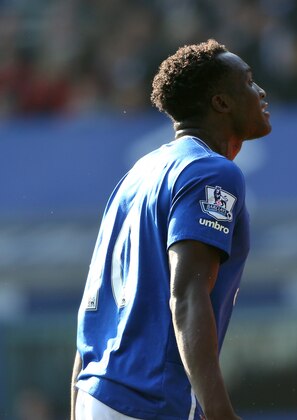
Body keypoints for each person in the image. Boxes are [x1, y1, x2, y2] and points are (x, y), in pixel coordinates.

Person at [70, 39, 271, 419]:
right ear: (221, 102)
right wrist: (219, 412)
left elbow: (91, 314)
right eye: (247, 81)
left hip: (95, 396)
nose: (260, 91)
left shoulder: (137, 175)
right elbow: (188, 293)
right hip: (150, 402)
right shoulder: (212, 171)